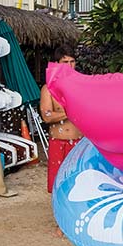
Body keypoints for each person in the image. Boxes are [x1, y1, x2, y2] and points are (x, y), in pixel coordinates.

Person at [40, 46, 83, 194]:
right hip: (59, 143)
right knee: (58, 188)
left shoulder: (81, 86)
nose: (69, 66)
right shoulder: (49, 89)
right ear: (57, 64)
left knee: (80, 185)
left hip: (80, 144)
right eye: (65, 62)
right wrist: (69, 112)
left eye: (72, 62)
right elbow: (47, 116)